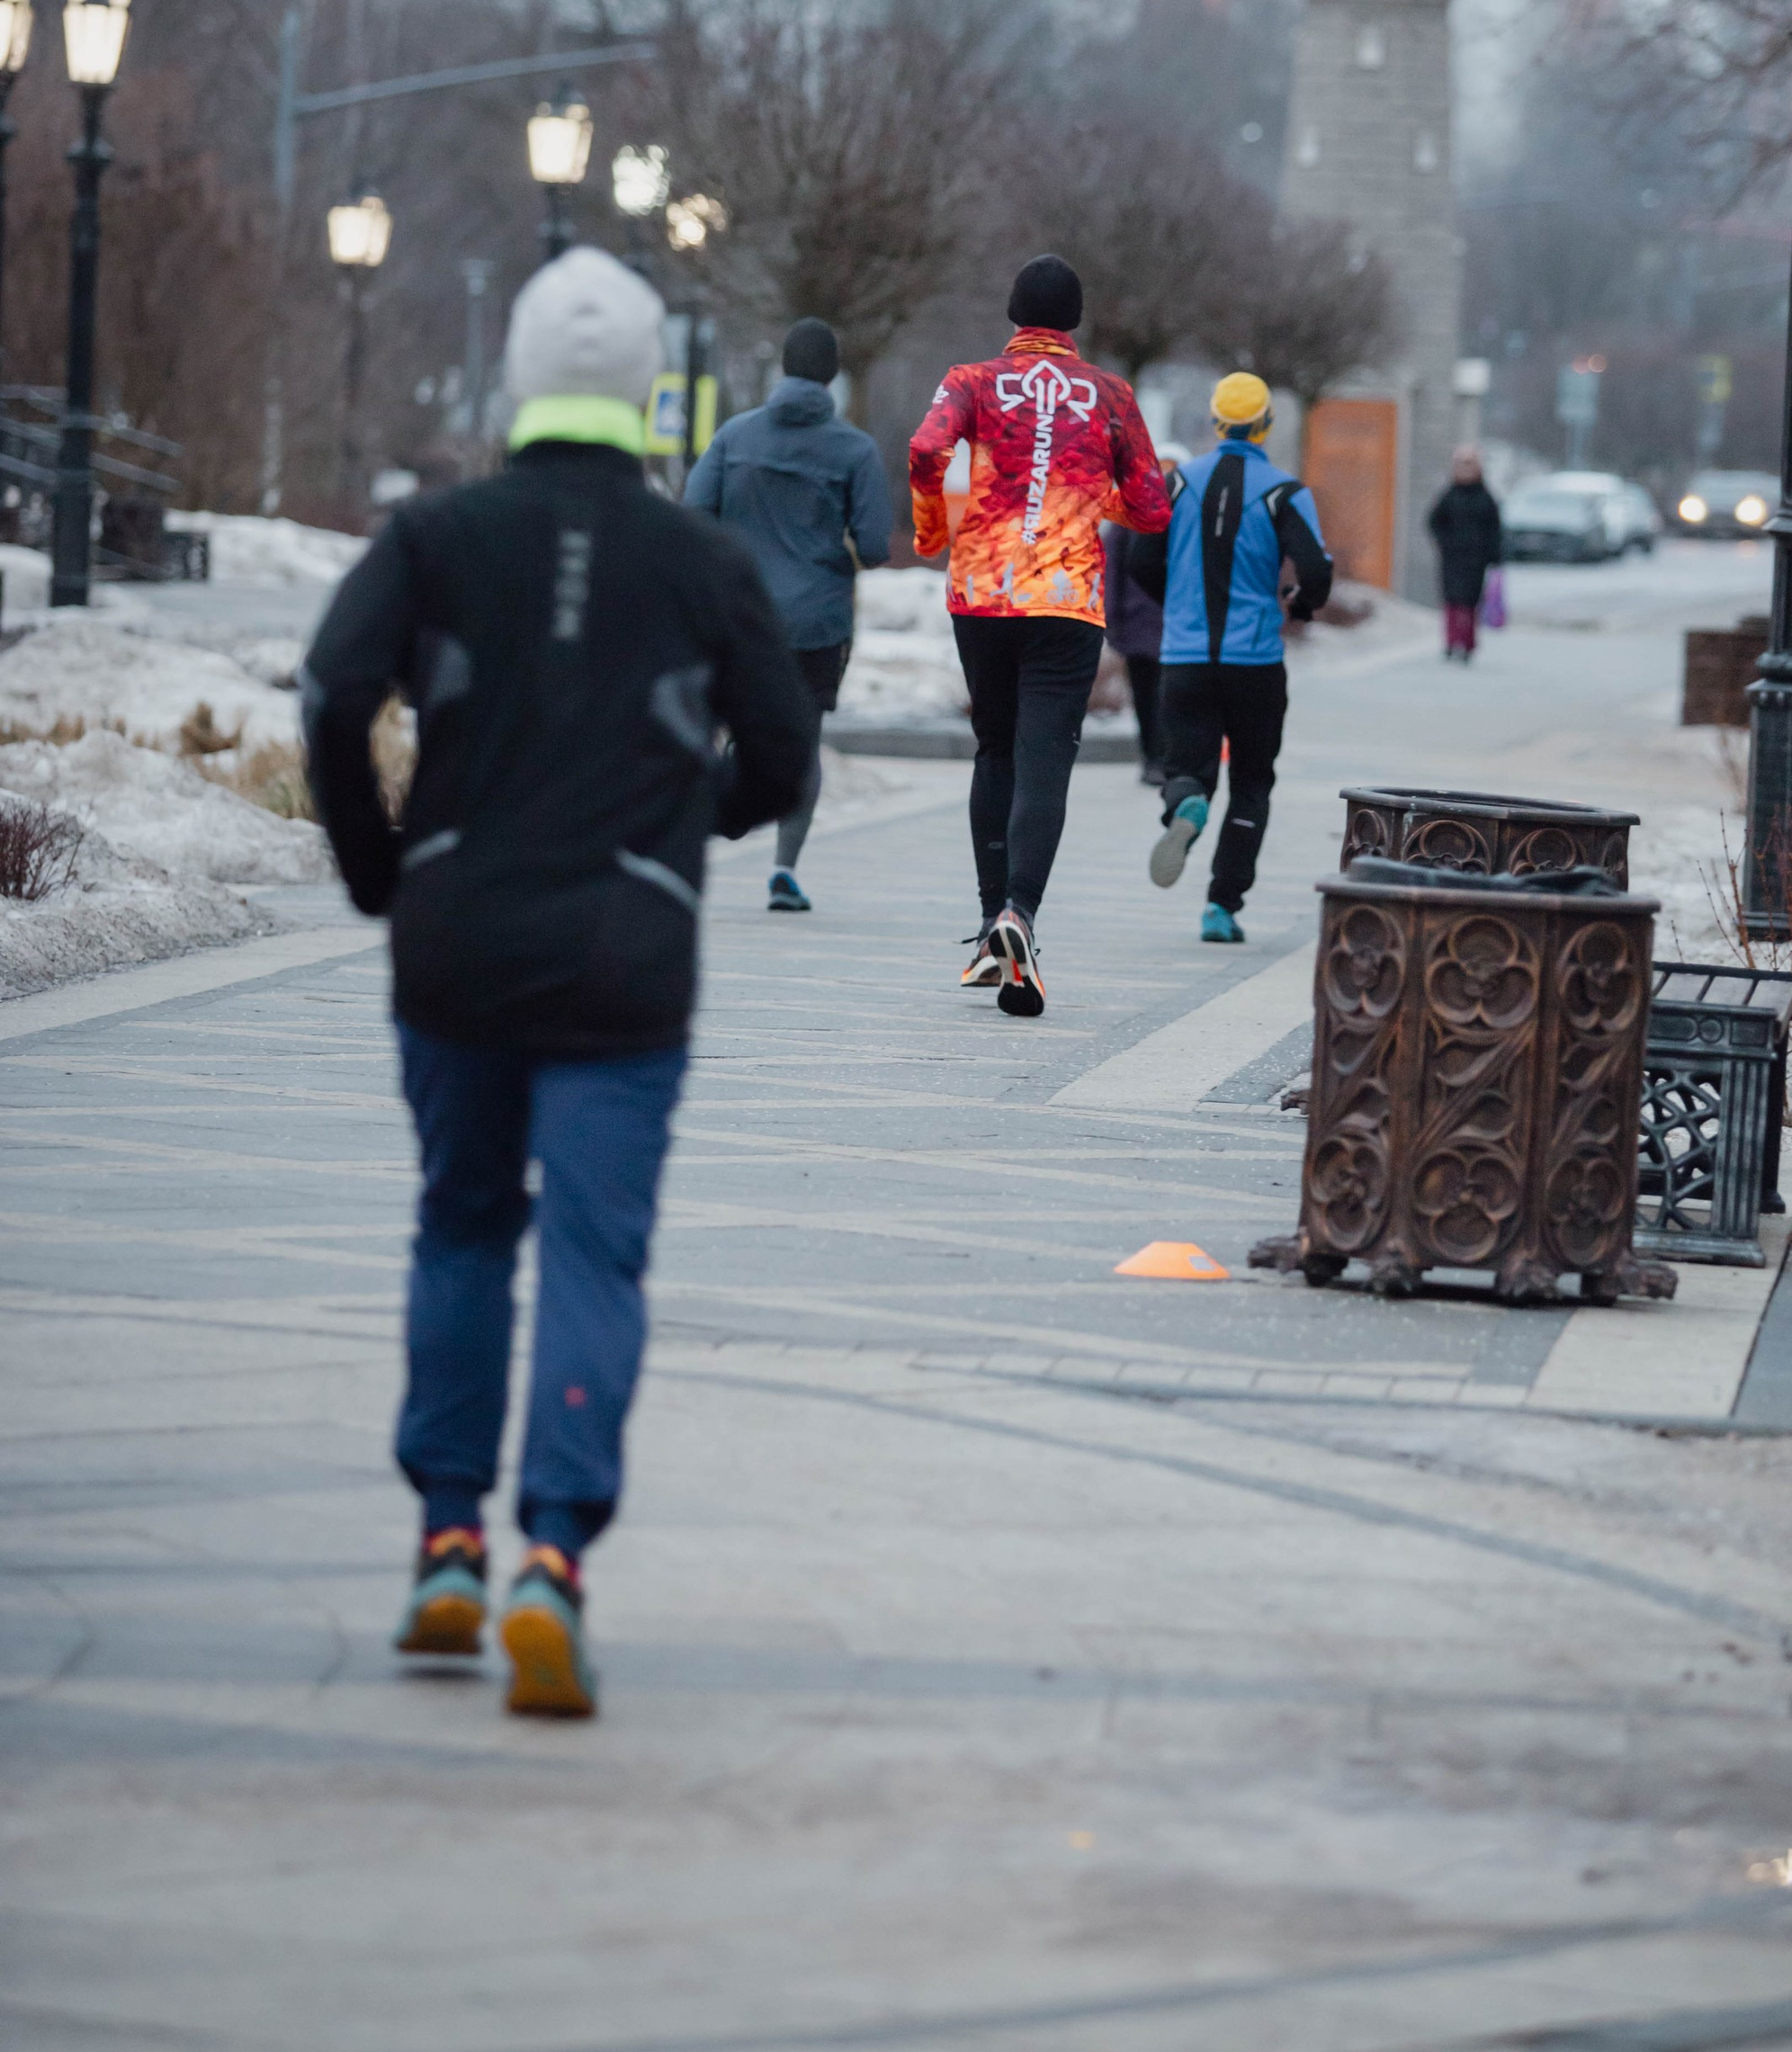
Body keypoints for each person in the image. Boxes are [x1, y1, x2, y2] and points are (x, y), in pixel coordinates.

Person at [302, 247, 812, 1720]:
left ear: (523, 379)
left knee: (463, 1226)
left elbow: (334, 692)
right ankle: (555, 1564)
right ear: (647, 389)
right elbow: (782, 760)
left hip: (454, 932)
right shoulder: (701, 562)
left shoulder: (437, 537)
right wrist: (681, 832)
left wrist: (376, 866)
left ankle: (448, 1536)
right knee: (595, 1253)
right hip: (623, 948)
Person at [909, 253, 1169, 1016]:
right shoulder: (1111, 395)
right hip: (1066, 599)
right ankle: (1021, 913)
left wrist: (935, 528)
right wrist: (1086, 497)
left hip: (983, 593)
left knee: (994, 750)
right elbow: (1153, 508)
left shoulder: (970, 382)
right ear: (1076, 322)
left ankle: (993, 918)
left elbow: (927, 449)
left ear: (1015, 316)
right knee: (1044, 758)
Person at [683, 314, 892, 912]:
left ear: (783, 366)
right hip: (816, 624)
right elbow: (877, 546)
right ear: (833, 376)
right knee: (801, 740)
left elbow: (694, 511)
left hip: (738, 615)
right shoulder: (854, 450)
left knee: (721, 723)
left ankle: (705, 822)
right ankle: (783, 870)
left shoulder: (735, 436)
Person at [1143, 372, 1332, 942]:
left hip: (1185, 659)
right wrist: (1300, 605)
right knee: (1252, 781)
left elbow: (1136, 557)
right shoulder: (1284, 493)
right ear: (1266, 426)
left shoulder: (1177, 485)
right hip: (1254, 664)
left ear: (1216, 423)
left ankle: (1188, 803)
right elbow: (1317, 572)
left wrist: (1173, 602)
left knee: (1185, 767)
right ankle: (1222, 907)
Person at [1101, 448, 1178, 787]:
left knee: (1160, 696)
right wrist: (1111, 618)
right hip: (1145, 626)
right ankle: (1155, 758)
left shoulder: (1181, 513)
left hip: (1165, 626)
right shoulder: (1129, 514)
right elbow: (1112, 569)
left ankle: (1159, 759)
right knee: (1150, 696)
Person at [1429, 446, 1504, 661]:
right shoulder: (1449, 495)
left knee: (1470, 602)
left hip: (1476, 559)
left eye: (1469, 465)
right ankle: (1452, 642)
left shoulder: (1485, 498)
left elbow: (1495, 529)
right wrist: (1445, 542)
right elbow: (1434, 522)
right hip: (1452, 558)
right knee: (1452, 601)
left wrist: (1494, 555)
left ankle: (1468, 643)